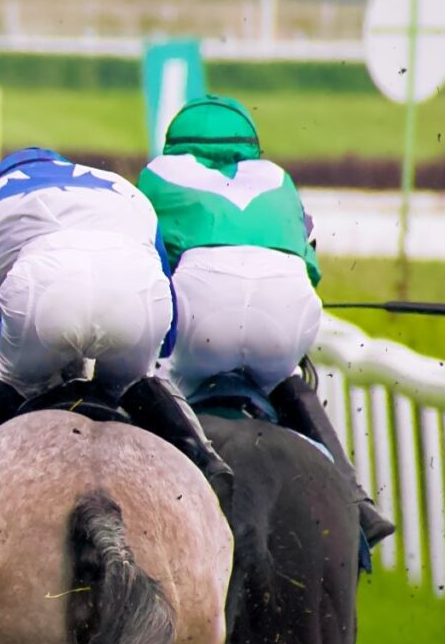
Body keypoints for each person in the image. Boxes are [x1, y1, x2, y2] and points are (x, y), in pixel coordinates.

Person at [0, 145, 232, 543]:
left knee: (8, 380)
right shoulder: (124, 192)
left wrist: (0, 321)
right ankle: (207, 462)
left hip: (44, 297)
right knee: (137, 379)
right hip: (135, 291)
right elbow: (170, 338)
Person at [141, 94, 394, 548]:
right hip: (283, 312)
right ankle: (357, 502)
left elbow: (149, 268)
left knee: (148, 378)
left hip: (201, 320)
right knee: (289, 377)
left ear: (177, 145)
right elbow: (310, 268)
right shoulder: (278, 179)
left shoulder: (157, 177)